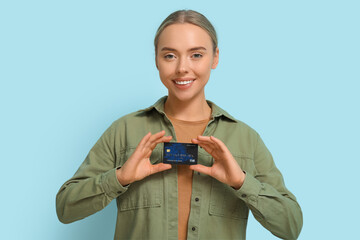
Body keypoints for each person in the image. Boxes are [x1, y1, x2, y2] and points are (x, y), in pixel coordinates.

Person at [56, 9, 303, 240]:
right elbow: (65, 209)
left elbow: (291, 226)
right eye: (170, 55)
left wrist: (241, 181)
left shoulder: (246, 139)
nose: (182, 68)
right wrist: (120, 178)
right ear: (156, 59)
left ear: (215, 58)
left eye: (196, 54)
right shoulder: (123, 131)